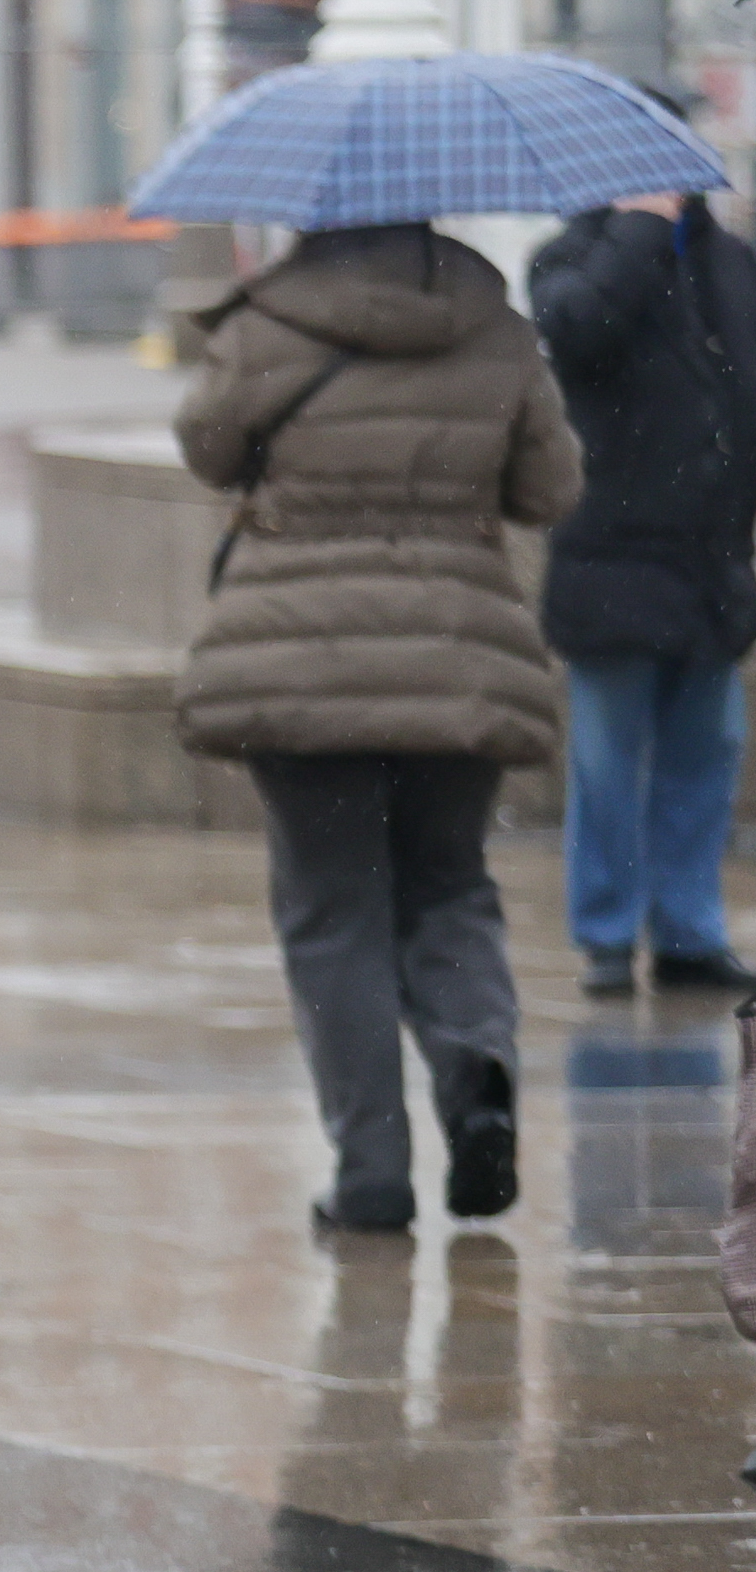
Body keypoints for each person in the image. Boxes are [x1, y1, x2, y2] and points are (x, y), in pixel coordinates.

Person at [175, 223, 583, 1233]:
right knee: (448, 884)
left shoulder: (270, 319)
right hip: (456, 653)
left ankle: (369, 1170)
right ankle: (475, 1073)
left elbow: (206, 448)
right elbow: (550, 488)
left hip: (298, 654)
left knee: (331, 911)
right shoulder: (495, 328)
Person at [526, 192, 756, 998]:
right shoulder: (576, 257)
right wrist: (639, 230)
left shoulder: (729, 263)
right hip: (613, 555)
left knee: (709, 750)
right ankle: (609, 933)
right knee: (607, 756)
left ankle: (690, 929)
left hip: (710, 559)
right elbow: (575, 330)